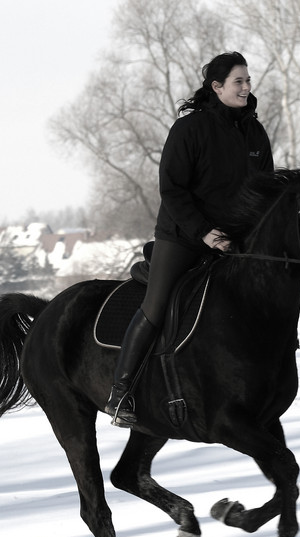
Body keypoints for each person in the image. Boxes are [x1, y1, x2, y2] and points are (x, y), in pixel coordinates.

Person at [105, 51, 274, 426]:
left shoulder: (255, 133)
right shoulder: (189, 129)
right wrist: (204, 233)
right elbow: (172, 188)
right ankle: (120, 393)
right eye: (239, 82)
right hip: (183, 235)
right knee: (157, 305)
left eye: (248, 80)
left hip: (235, 240)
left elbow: (264, 191)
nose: (247, 87)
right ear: (216, 87)